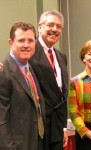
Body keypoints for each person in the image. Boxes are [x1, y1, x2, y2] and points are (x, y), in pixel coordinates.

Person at [0, 22, 46, 150]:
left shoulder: (30, 68)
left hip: (36, 142)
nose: (26, 45)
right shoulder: (3, 72)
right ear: (11, 42)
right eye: (21, 40)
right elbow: (1, 120)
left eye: (30, 41)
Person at [29, 10, 68, 150]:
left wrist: (63, 128)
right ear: (40, 27)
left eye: (58, 26)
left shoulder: (61, 57)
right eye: (50, 25)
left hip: (56, 127)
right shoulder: (29, 51)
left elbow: (62, 94)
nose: (54, 29)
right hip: (38, 127)